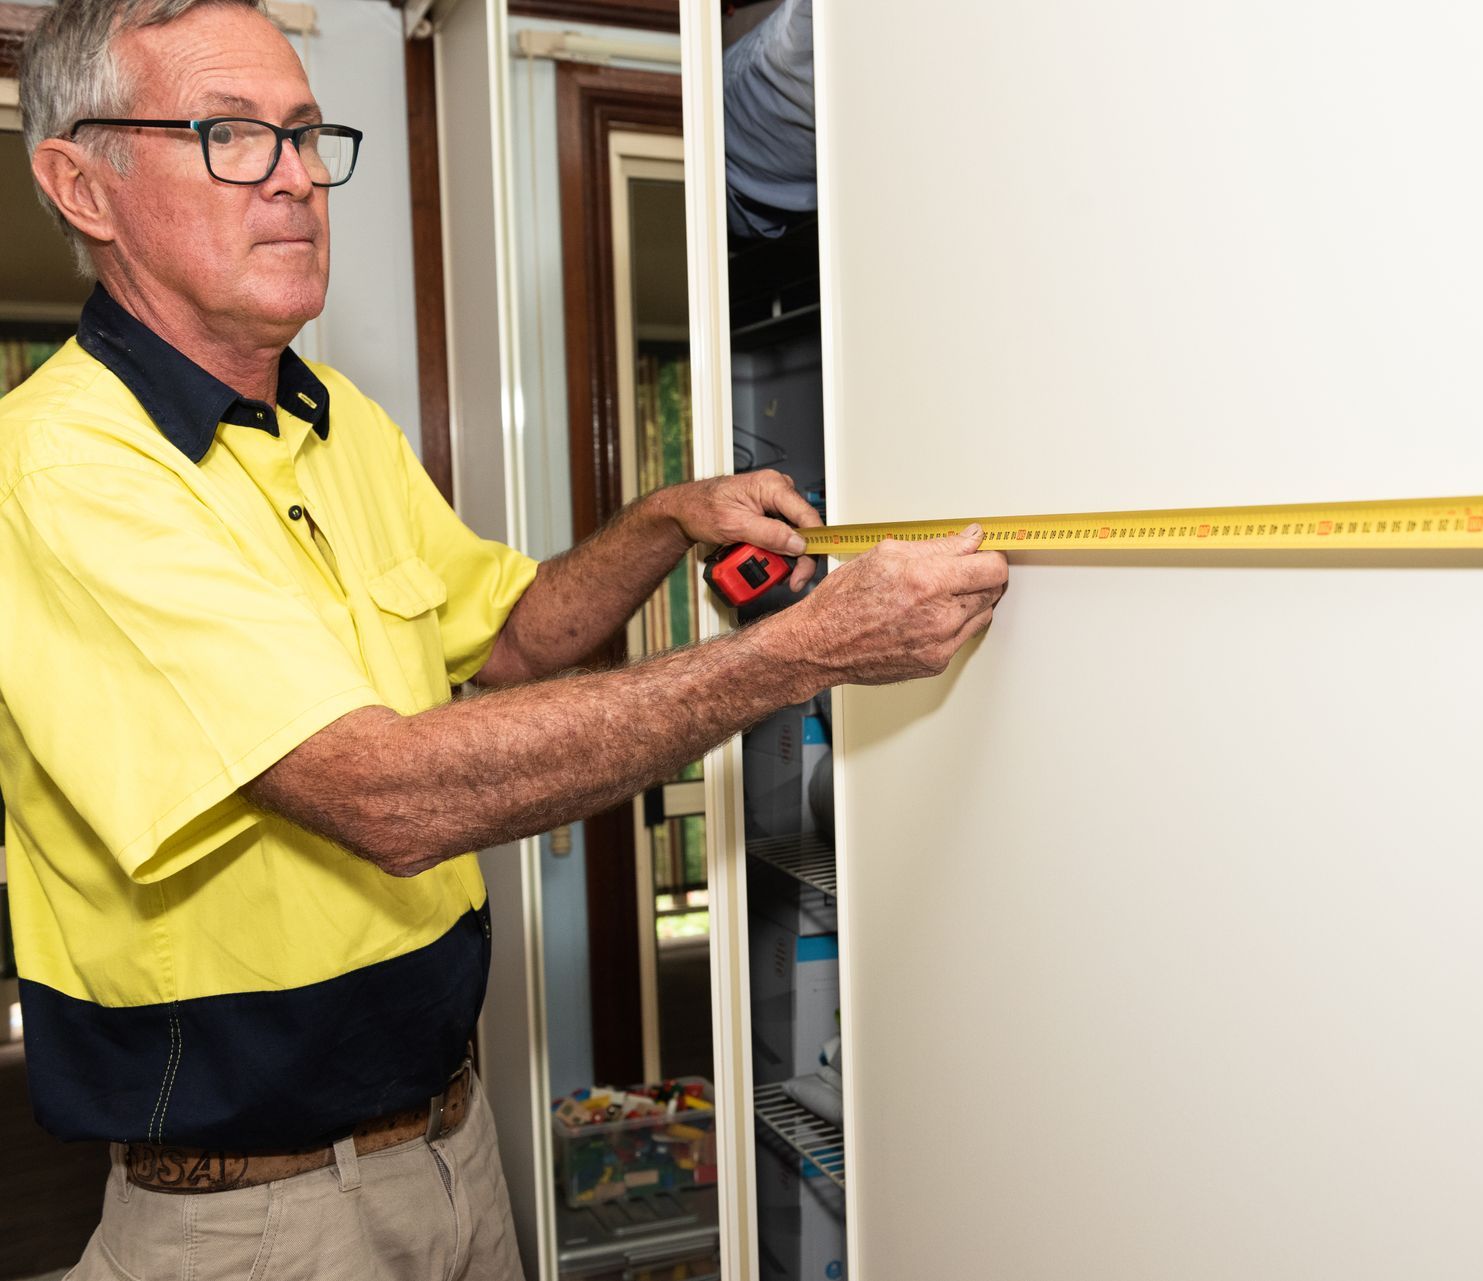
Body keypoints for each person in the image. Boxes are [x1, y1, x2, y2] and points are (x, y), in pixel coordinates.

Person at [1, 0, 1008, 1275]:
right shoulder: (63, 473)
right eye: (231, 137)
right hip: (258, 1219)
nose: (299, 182)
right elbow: (384, 792)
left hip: (449, 1150)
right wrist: (804, 653)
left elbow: (515, 636)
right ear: (80, 182)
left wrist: (663, 517)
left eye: (308, 137)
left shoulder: (331, 420)